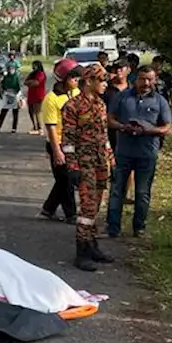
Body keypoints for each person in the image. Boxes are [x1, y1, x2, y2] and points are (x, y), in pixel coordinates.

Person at [106, 65, 172, 238]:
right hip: (124, 151)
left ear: (155, 80)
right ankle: (113, 228)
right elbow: (110, 119)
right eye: (143, 79)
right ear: (136, 79)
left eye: (150, 79)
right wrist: (123, 127)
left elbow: (166, 127)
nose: (146, 83)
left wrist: (148, 130)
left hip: (147, 153)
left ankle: (139, 227)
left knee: (142, 192)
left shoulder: (160, 101)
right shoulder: (122, 97)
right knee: (117, 190)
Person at [63, 64, 115, 271]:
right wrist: (72, 165)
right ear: (89, 81)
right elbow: (67, 139)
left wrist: (111, 158)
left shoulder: (101, 104)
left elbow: (104, 135)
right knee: (86, 208)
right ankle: (81, 251)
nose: (104, 85)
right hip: (84, 163)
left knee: (96, 206)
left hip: (101, 161)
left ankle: (93, 246)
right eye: (101, 81)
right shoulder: (73, 106)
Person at [38, 60, 81, 222]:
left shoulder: (75, 93)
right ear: (63, 79)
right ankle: (71, 214)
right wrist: (57, 151)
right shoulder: (51, 99)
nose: (76, 81)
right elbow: (51, 128)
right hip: (58, 143)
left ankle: (48, 209)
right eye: (73, 78)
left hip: (73, 142)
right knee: (66, 180)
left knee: (64, 179)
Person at [104, 60, 130, 153]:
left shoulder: (133, 89)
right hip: (109, 130)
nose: (118, 71)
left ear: (128, 70)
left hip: (128, 130)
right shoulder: (105, 88)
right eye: (116, 68)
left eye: (121, 68)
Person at [0, 60, 23, 132]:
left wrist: (19, 96)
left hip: (14, 95)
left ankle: (14, 128)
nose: (11, 70)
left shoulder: (16, 77)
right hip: (7, 95)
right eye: (10, 69)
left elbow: (19, 87)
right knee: (3, 112)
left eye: (12, 69)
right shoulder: (6, 77)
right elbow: (2, 86)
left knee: (15, 112)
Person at [24, 60, 47, 134]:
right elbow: (25, 82)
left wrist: (30, 82)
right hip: (31, 95)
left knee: (37, 112)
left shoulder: (41, 74)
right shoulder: (32, 74)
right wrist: (31, 82)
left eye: (35, 65)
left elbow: (36, 83)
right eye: (33, 65)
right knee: (31, 112)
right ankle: (34, 126)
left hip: (38, 95)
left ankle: (40, 128)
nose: (33, 67)